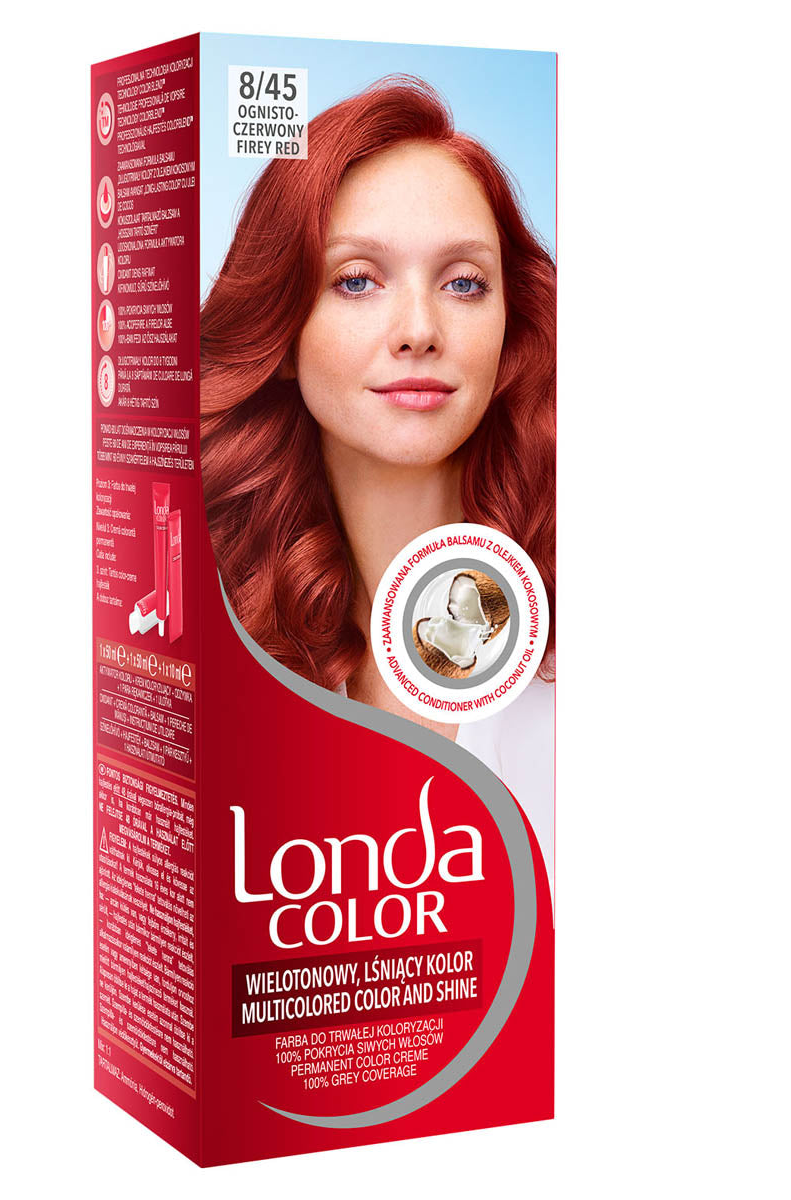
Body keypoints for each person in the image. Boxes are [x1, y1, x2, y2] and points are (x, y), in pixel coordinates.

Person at [201, 77, 555, 882]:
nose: (419, 331)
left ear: (511, 326)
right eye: (357, 279)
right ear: (281, 333)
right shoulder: (222, 649)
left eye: (463, 282)